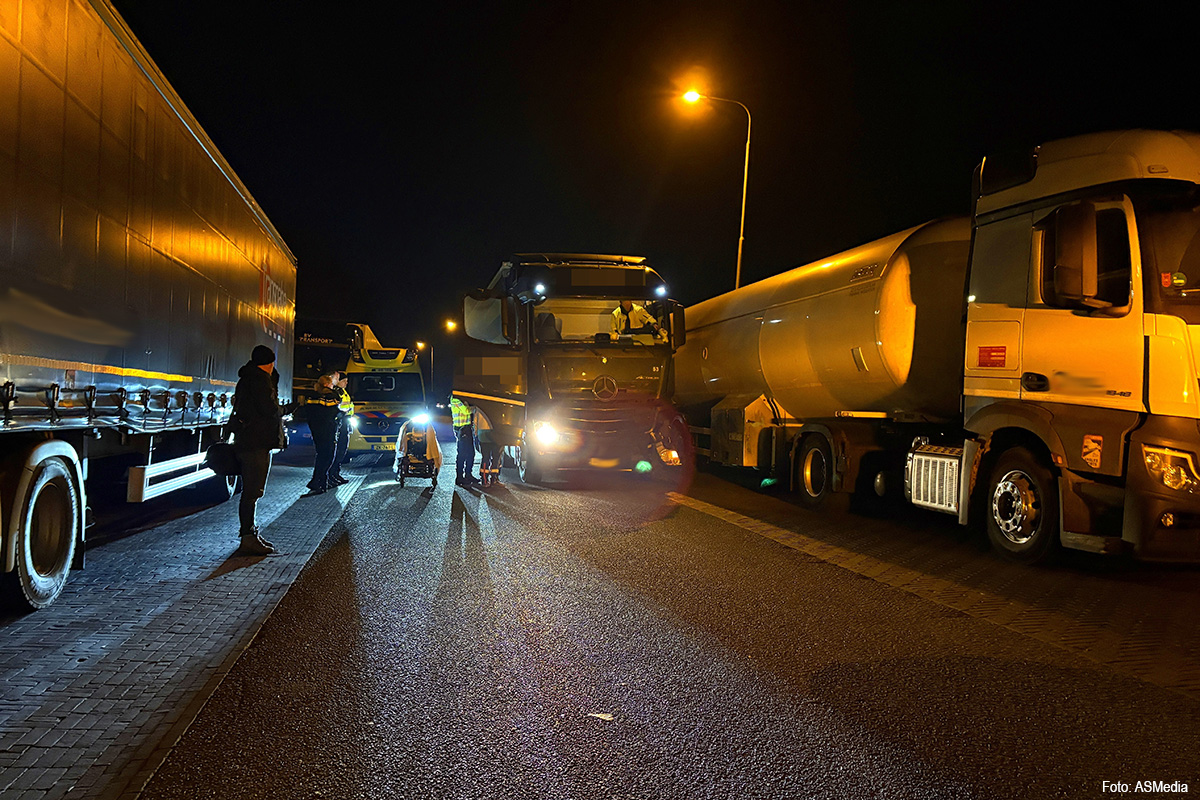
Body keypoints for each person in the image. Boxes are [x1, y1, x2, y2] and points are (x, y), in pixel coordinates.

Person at [230, 345, 288, 556]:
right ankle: (248, 537)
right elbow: (269, 409)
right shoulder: (259, 380)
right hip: (255, 443)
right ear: (269, 363)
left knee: (252, 491)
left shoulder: (248, 378)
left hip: (250, 441)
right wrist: (285, 409)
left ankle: (250, 533)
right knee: (253, 491)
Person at [302, 374, 340, 497]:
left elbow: (307, 412)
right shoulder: (332, 396)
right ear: (328, 384)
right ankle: (319, 481)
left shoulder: (311, 397)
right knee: (328, 455)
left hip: (316, 430)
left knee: (321, 455)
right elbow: (333, 410)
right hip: (328, 430)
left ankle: (319, 481)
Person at [328, 371, 353, 486]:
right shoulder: (336, 392)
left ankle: (336, 474)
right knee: (338, 451)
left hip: (345, 423)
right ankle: (332, 475)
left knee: (342, 450)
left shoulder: (343, 392)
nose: (346, 382)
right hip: (340, 423)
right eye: (344, 381)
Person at [449, 394, 478, 486]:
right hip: (461, 429)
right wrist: (476, 408)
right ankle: (460, 478)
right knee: (462, 454)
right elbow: (466, 411)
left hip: (466, 428)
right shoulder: (456, 399)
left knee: (471, 453)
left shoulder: (462, 399)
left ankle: (468, 475)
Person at [475, 409, 501, 488]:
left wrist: (476, 433)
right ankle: (494, 479)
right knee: (495, 457)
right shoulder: (495, 406)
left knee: (486, 457)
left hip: (483, 434)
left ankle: (485, 480)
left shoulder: (479, 408)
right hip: (494, 434)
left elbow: (475, 421)